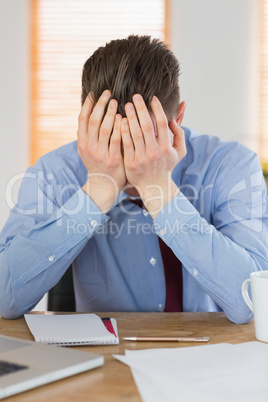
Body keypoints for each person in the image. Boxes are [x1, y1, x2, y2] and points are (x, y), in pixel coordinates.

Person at [0, 35, 267, 323]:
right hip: (106, 361)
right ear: (86, 122)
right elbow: (5, 298)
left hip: (212, 357)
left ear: (178, 118)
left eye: (144, 140)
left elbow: (253, 304)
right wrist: (96, 191)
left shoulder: (231, 164)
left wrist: (160, 190)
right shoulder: (54, 171)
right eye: (113, 141)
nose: (131, 162)